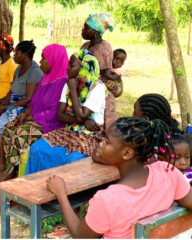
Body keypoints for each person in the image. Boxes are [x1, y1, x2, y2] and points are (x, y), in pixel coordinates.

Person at [46, 117, 192, 239]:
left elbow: (80, 235)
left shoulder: (107, 200)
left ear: (127, 154)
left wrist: (61, 193)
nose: (101, 144)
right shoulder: (168, 172)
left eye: (107, 141)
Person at [26, 49, 107, 175]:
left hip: (90, 134)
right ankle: (33, 185)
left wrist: (73, 91)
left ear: (84, 67)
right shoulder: (69, 84)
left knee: (73, 159)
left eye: (72, 65)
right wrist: (83, 120)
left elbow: (80, 116)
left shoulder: (97, 88)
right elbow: (60, 116)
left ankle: (64, 191)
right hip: (69, 130)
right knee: (37, 148)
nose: (67, 68)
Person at [2, 44, 68, 174]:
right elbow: (34, 101)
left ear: (54, 59)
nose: (40, 61)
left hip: (51, 124)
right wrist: (25, 114)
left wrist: (32, 117)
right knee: (8, 128)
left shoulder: (62, 82)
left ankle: (18, 171)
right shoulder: (45, 78)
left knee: (21, 133)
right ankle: (13, 167)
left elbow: (55, 113)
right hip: (36, 118)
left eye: (44, 58)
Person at [0, 40, 43, 178]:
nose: (14, 54)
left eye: (17, 53)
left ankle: (3, 164)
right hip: (11, 102)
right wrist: (1, 105)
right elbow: (11, 92)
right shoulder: (19, 68)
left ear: (25, 55)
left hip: (21, 106)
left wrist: (7, 107)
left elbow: (28, 99)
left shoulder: (34, 72)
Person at [81, 13, 120, 129]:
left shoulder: (104, 47)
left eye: (86, 28)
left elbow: (104, 73)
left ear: (96, 32)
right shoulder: (85, 45)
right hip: (85, 89)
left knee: (103, 128)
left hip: (100, 94)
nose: (82, 30)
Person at [0, 34, 17, 100]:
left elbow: (14, 91)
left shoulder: (11, 66)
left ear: (2, 48)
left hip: (5, 105)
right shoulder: (1, 63)